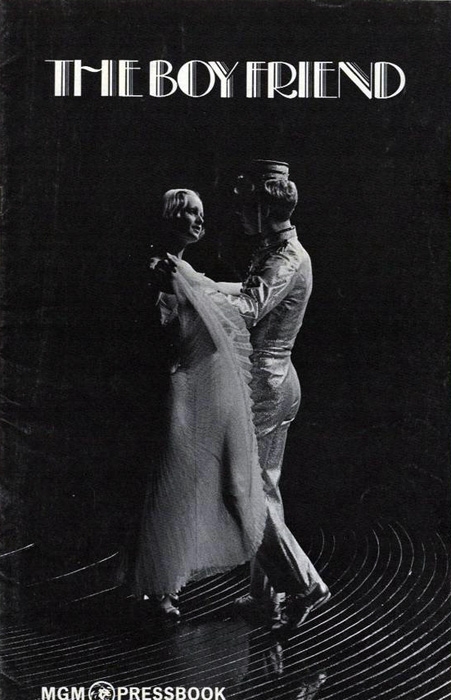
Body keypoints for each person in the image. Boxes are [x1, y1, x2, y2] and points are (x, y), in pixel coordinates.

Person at [171, 162, 330, 630]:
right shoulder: (279, 250)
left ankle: (304, 585)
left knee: (244, 490)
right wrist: (197, 280)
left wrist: (189, 286)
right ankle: (266, 598)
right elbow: (245, 290)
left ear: (264, 208)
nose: (239, 214)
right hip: (276, 380)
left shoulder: (285, 258)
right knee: (264, 488)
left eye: (246, 207)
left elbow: (248, 306)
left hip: (264, 384)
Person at [132, 189, 266, 620]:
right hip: (178, 384)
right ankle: (159, 589)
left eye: (201, 213)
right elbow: (173, 325)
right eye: (190, 212)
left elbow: (214, 294)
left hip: (195, 385)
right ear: (170, 217)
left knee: (190, 481)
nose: (198, 220)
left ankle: (166, 586)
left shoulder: (181, 268)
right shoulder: (160, 269)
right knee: (172, 481)